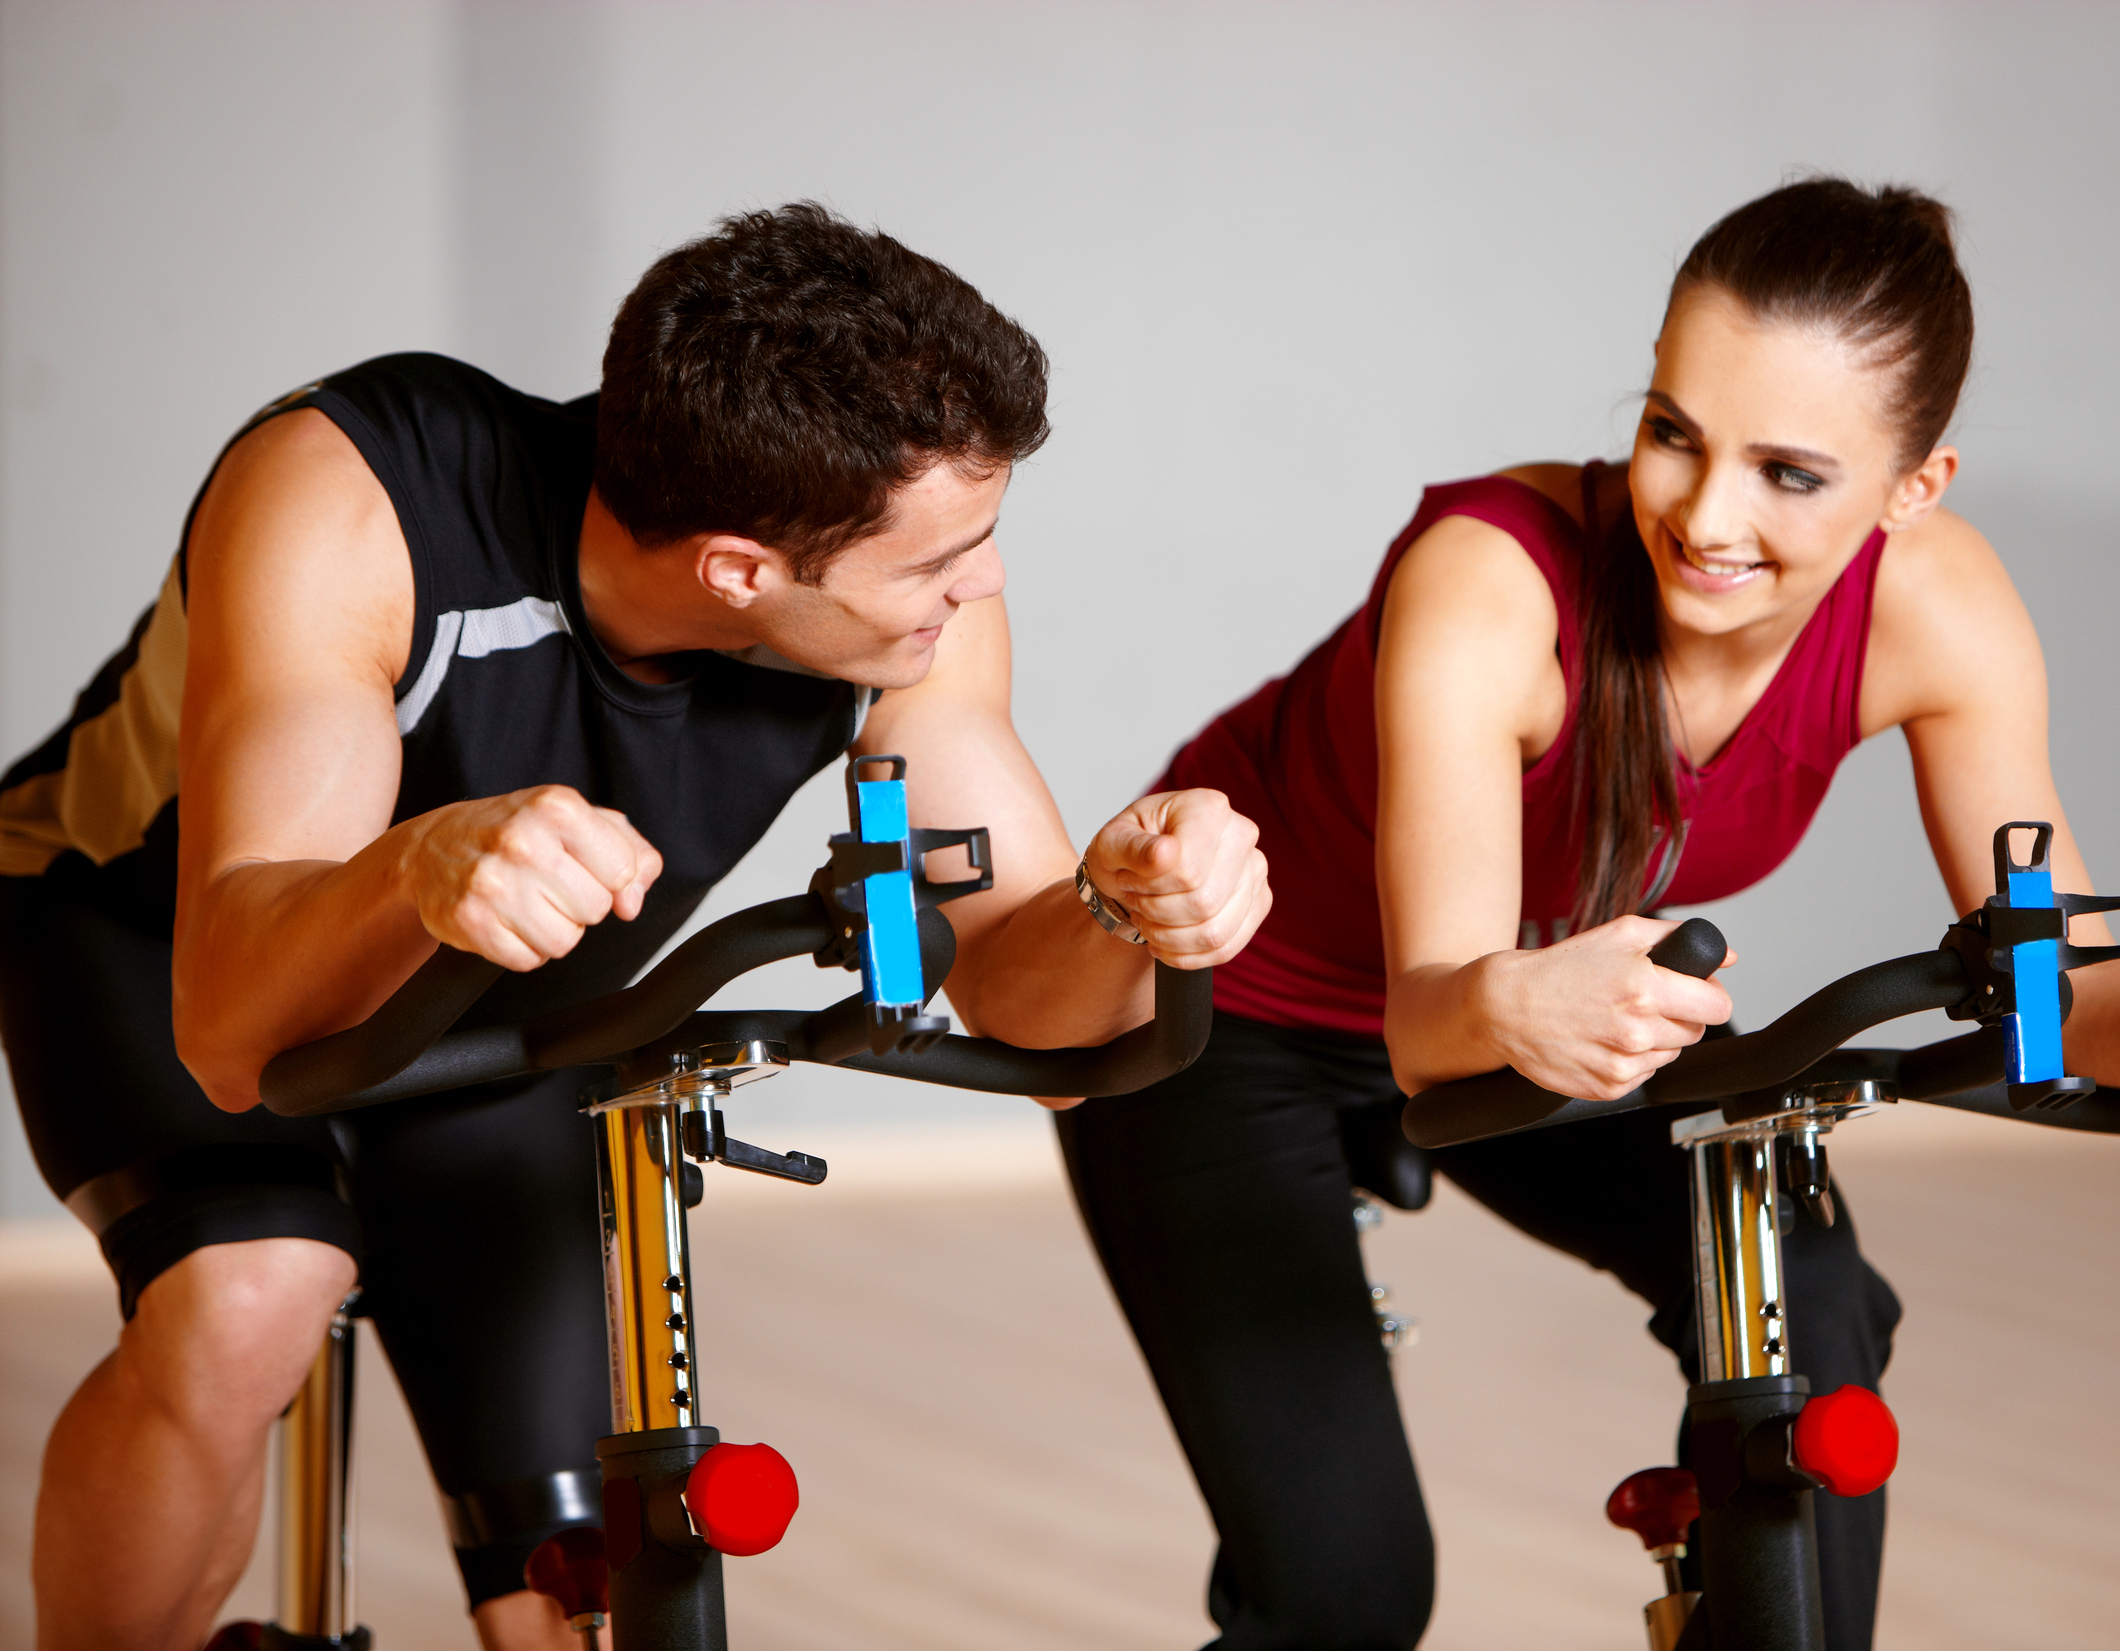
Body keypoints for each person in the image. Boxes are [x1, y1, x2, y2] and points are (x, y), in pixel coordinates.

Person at [1053, 177, 2120, 1651]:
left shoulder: (1937, 609)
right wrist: (1515, 1001)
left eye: (1789, 473)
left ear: (1914, 490)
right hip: (1211, 1009)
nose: (1703, 516)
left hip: (1524, 1002)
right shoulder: (1487, 582)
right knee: (1346, 1602)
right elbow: (1439, 1012)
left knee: (1813, 1306)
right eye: (1672, 434)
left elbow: (2060, 1002)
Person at [0, 202, 1269, 1651]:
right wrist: (416, 867)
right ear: (740, 568)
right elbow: (235, 1032)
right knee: (251, 1299)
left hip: (509, 1022)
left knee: (561, 1601)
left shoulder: (905, 611)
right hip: (142, 933)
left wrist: (1130, 907)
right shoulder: (355, 494)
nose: (977, 583)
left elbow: (1037, 1024)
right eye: (938, 560)